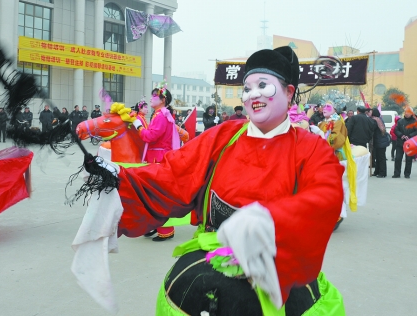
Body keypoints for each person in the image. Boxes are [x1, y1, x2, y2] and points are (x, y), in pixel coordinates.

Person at [74, 47, 345, 314]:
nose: (254, 95)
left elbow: (325, 195)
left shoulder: (310, 147)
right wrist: (120, 179)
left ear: (289, 93)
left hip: (281, 269)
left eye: (263, 85)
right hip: (210, 260)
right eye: (247, 88)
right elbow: (174, 174)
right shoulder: (223, 136)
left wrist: (272, 222)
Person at [130, 85, 181, 242]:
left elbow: (150, 136)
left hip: (157, 159)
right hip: (156, 157)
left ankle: (166, 229)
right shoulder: (160, 114)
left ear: (163, 100)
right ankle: (154, 225)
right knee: (151, 195)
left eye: (154, 96)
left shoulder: (160, 116)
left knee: (157, 195)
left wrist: (137, 126)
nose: (151, 98)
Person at [393, 107, 417, 178]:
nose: (406, 113)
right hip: (400, 142)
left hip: (410, 144)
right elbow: (396, 130)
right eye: (406, 112)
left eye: (408, 112)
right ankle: (397, 174)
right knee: (398, 158)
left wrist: (409, 136)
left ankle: (407, 174)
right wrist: (401, 135)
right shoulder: (400, 121)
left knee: (409, 160)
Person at [370, 108, 389, 178]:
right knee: (378, 157)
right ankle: (377, 171)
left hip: (380, 141)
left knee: (381, 158)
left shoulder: (375, 120)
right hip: (379, 141)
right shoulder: (379, 119)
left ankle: (382, 173)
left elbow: (372, 129)